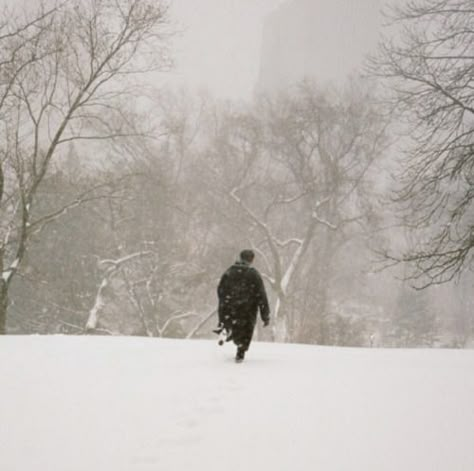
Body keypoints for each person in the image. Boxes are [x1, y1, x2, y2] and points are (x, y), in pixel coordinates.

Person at [215, 249, 270, 362]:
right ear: (251, 259)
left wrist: (225, 302)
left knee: (230, 322)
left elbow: (220, 289)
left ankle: (226, 329)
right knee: (245, 331)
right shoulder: (253, 274)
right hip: (247, 310)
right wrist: (265, 315)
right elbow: (261, 295)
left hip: (230, 307)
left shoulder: (229, 271)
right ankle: (240, 352)